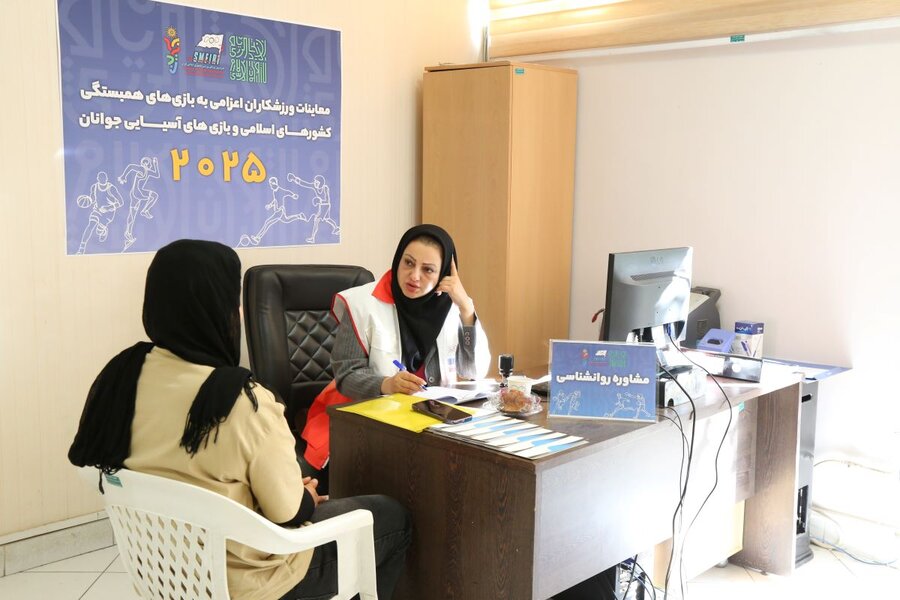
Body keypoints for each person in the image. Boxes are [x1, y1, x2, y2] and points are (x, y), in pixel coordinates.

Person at [68, 239, 411, 600]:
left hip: (162, 569)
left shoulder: (122, 377)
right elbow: (287, 513)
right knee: (391, 516)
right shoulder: (243, 402)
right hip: (245, 583)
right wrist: (306, 497)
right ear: (221, 311)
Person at [300, 224, 491, 480]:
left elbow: (473, 371)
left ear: (444, 274)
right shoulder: (362, 304)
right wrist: (387, 384)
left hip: (431, 422)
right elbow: (346, 376)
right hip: (368, 421)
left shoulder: (452, 306)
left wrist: (466, 308)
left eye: (428, 270)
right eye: (408, 263)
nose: (414, 276)